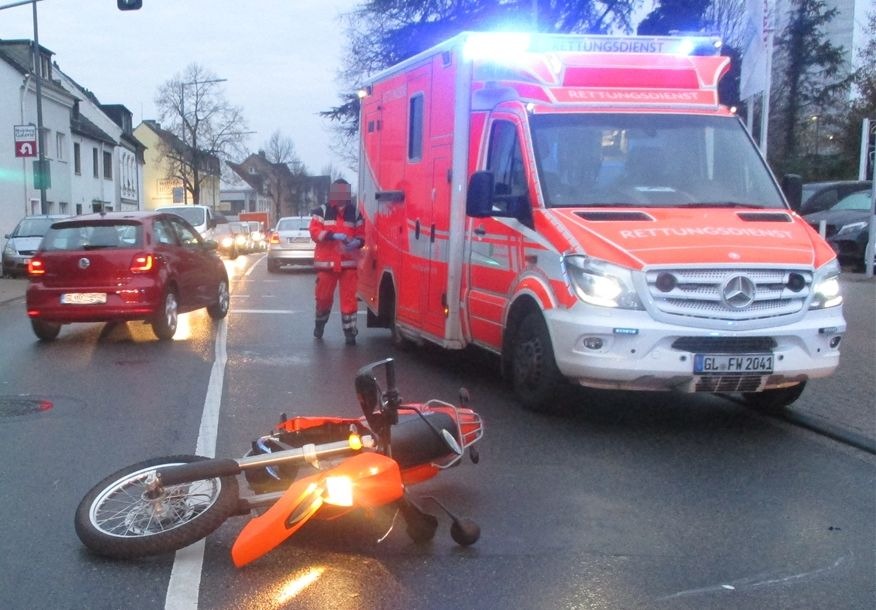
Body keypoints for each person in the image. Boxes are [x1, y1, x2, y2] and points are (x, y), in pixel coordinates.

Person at [309, 178, 364, 345]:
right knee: (323, 298)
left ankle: (350, 332)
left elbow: (362, 234)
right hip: (327, 265)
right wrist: (333, 235)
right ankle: (320, 323)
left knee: (349, 300)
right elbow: (314, 232)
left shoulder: (354, 213)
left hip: (348, 264)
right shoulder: (321, 211)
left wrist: (358, 242)